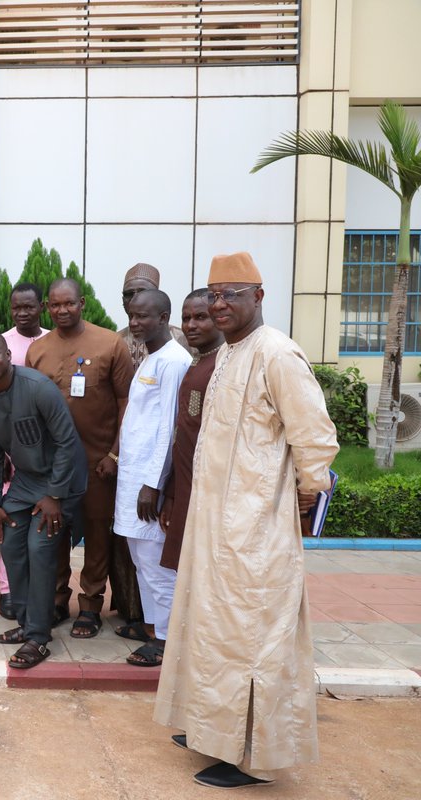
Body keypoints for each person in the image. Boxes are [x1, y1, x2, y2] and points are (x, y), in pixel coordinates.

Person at [154, 252, 338, 789]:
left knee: (252, 639)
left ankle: (253, 759)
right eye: (213, 294)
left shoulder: (277, 354)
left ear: (258, 296)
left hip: (256, 532)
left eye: (231, 293)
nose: (218, 304)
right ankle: (213, 731)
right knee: (213, 633)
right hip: (214, 526)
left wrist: (304, 499)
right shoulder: (230, 354)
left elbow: (316, 441)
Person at [26, 278, 135, 638]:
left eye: (68, 303)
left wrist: (115, 454)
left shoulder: (110, 343)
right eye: (55, 305)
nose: (62, 310)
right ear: (47, 308)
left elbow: (126, 403)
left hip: (97, 462)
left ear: (82, 302)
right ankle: (58, 600)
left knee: (96, 534)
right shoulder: (38, 349)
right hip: (52, 465)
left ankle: (90, 605)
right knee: (53, 532)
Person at [0, 331, 86, 669]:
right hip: (25, 481)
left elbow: (68, 443)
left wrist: (54, 495)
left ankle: (39, 638)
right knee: (10, 544)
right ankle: (26, 621)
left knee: (40, 549)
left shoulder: (38, 388)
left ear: (8, 354)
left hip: (61, 480)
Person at [112, 290, 191, 668]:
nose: (135, 323)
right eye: (132, 316)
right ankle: (152, 628)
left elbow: (169, 429)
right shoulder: (151, 357)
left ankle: (166, 641)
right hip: (133, 478)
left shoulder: (173, 361)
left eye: (144, 316)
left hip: (148, 482)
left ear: (164, 317)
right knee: (142, 560)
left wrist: (153, 485)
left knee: (156, 564)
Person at [0, 281, 49, 620]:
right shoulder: (1, 344)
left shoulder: (52, 342)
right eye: (16, 307)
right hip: (10, 456)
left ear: (42, 306)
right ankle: (9, 591)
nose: (22, 313)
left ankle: (45, 596)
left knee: (44, 533)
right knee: (9, 526)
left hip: (45, 456)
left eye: (29, 306)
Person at [157, 289, 224, 571]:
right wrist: (171, 494)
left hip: (211, 492)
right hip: (186, 484)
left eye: (200, 317)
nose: (191, 325)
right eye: (186, 318)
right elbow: (182, 433)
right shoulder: (196, 361)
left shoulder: (224, 365)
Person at [117, 263, 191, 369]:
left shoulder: (183, 339)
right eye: (129, 294)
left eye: (143, 292)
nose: (135, 298)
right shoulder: (115, 342)